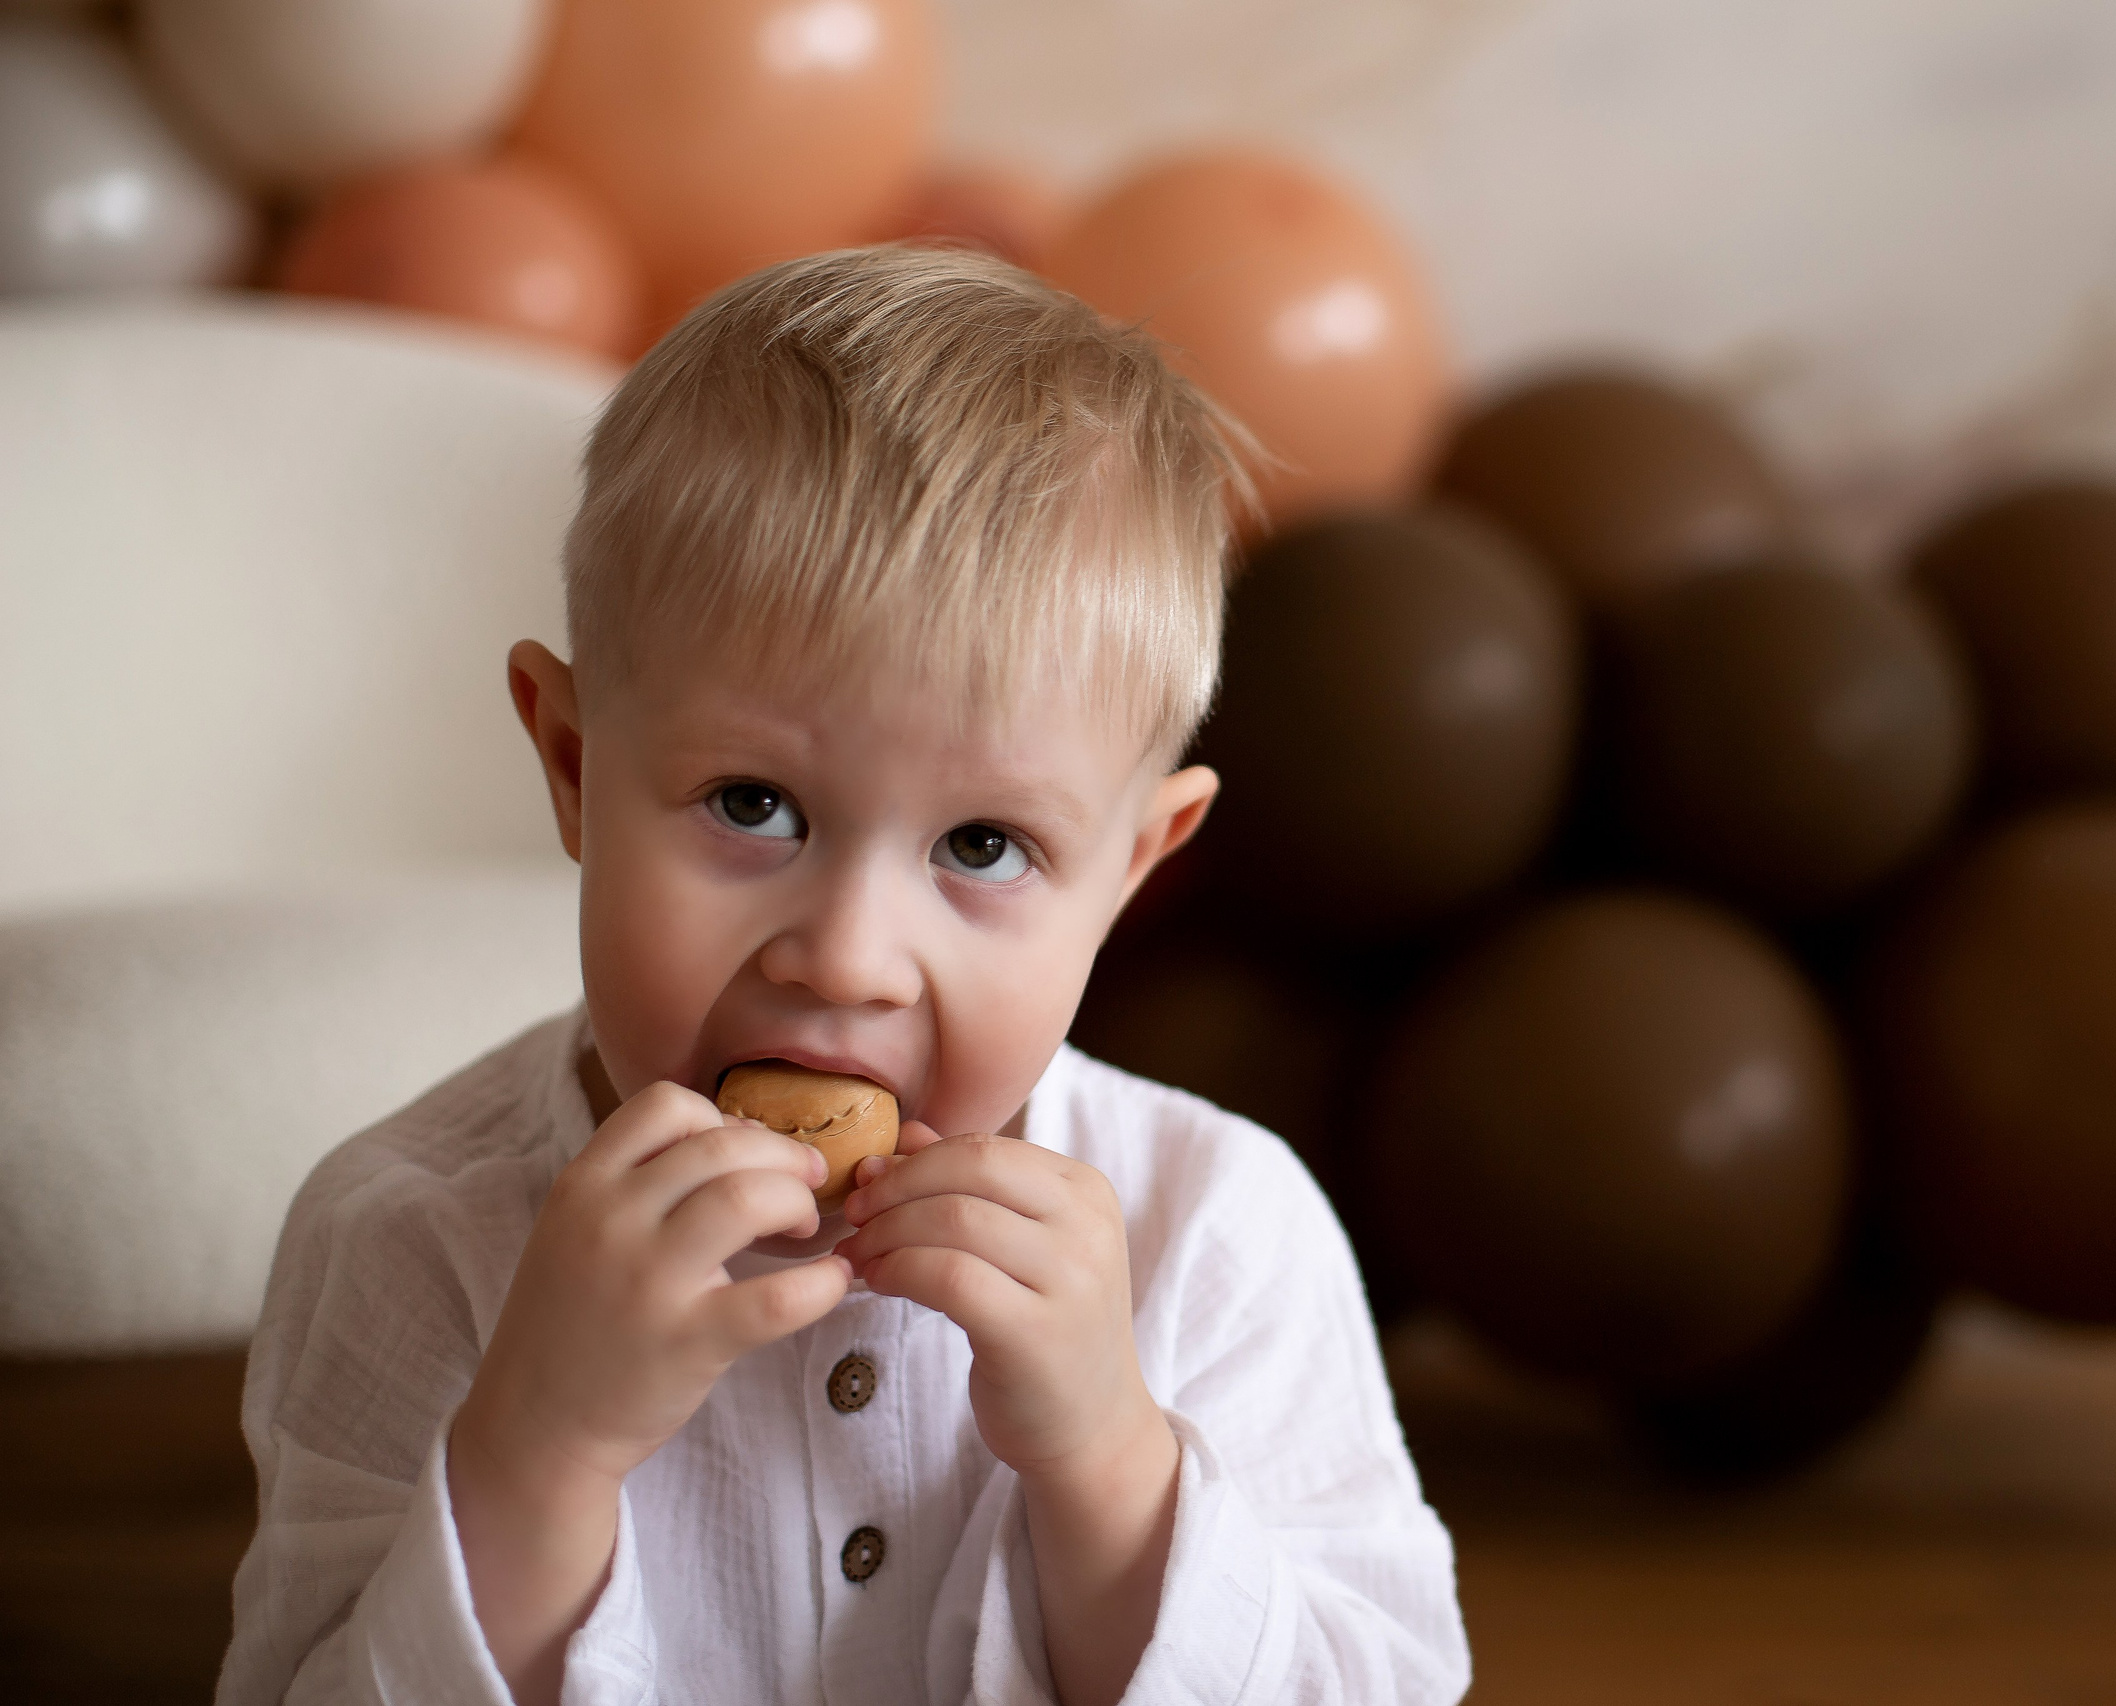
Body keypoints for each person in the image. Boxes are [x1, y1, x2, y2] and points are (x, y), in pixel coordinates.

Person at [216, 246, 1468, 1706]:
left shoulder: (1216, 1232)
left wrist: (1111, 1460)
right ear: (572, 765)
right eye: (754, 805)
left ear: (1134, 868)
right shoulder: (414, 1239)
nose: (851, 957)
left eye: (984, 843)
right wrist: (535, 1456)